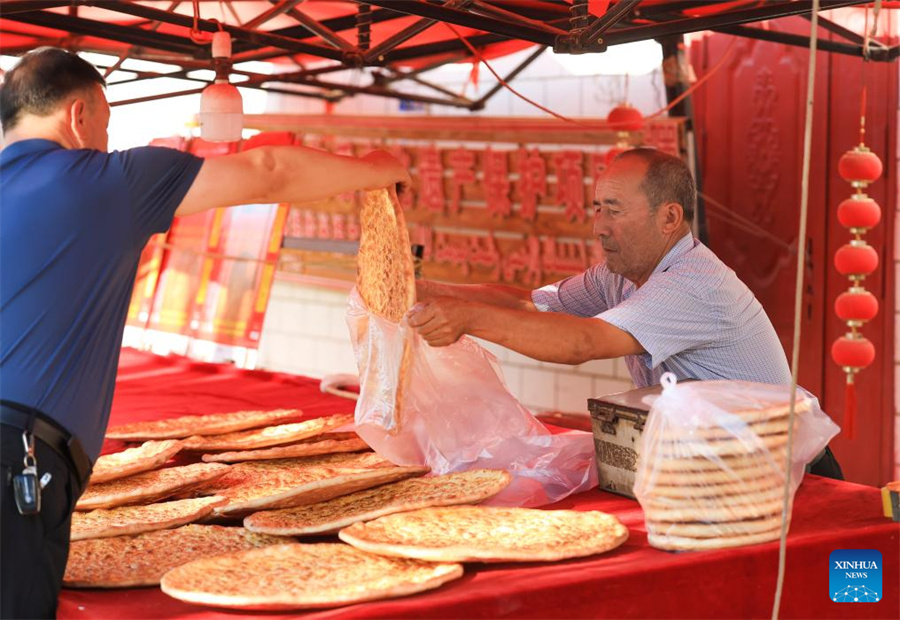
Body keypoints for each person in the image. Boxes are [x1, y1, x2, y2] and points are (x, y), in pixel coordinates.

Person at [0, 47, 409, 619]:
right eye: (106, 123)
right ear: (79, 115)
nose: (106, 140)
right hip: (16, 458)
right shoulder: (101, 181)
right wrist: (380, 168)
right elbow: (272, 172)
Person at [407, 148, 842, 470]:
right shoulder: (618, 274)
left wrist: (468, 317)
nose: (598, 227)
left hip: (785, 472)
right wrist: (426, 289)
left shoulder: (694, 283)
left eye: (613, 211)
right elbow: (530, 304)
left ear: (669, 218)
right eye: (597, 208)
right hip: (709, 465)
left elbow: (582, 342)